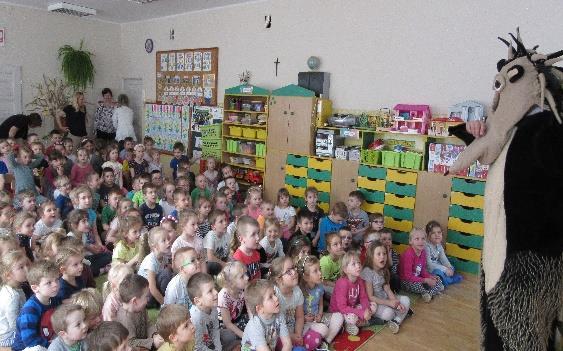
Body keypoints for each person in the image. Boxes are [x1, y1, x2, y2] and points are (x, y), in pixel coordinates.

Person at [361, 240, 411, 334]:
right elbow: (370, 297)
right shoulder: (367, 272)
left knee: (406, 300)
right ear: (371, 256)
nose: (382, 256)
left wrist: (396, 302)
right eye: (378, 254)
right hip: (374, 303)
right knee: (389, 314)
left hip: (385, 298)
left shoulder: (384, 270)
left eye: (384, 254)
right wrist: (389, 303)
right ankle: (400, 315)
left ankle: (397, 321)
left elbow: (387, 290)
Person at [12, 260, 62, 351]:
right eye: (48, 283)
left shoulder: (54, 299)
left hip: (47, 340)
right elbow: (29, 340)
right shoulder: (30, 309)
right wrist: (51, 345)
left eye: (57, 280)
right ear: (35, 288)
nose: (55, 285)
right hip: (27, 347)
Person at [296, 255, 344, 347]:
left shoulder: (320, 287)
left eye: (320, 269)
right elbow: (296, 312)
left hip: (318, 317)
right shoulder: (299, 290)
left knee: (339, 316)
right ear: (305, 277)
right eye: (315, 271)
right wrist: (305, 318)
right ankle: (326, 333)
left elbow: (321, 304)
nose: (320, 273)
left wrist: (320, 314)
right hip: (306, 322)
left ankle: (326, 341)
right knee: (323, 329)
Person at [329, 251, 376, 336]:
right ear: (345, 269)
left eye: (359, 263)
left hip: (352, 307)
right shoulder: (342, 283)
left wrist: (366, 310)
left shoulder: (360, 280)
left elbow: (363, 298)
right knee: (352, 318)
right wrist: (361, 313)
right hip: (338, 312)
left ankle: (356, 323)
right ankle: (349, 324)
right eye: (353, 264)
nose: (358, 266)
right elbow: (342, 308)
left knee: (373, 306)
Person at [241, 279, 291, 351]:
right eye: (270, 297)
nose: (276, 298)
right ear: (260, 308)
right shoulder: (255, 326)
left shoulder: (279, 314)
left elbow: (287, 343)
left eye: (274, 293)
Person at [399, 228, 444, 302]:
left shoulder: (423, 252)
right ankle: (429, 292)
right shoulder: (408, 254)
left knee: (437, 279)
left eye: (423, 239)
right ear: (411, 241)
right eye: (417, 239)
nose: (421, 241)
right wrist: (425, 280)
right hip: (406, 281)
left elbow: (422, 270)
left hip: (417, 277)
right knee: (419, 285)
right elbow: (408, 277)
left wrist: (430, 276)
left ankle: (429, 292)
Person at [216, 261, 249, 349]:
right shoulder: (223, 297)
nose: (247, 278)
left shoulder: (243, 287)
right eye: (242, 276)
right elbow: (228, 323)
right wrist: (244, 335)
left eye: (245, 274)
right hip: (225, 327)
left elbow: (249, 308)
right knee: (233, 337)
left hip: (238, 319)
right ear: (231, 282)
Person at [0, 250, 29, 349]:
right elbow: (14, 325)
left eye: (26, 265)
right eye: (21, 267)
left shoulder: (15, 287)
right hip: (8, 337)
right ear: (8, 275)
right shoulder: (12, 297)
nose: (27, 269)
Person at [187, 272, 222, 351]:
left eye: (214, 288)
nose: (216, 292)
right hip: (199, 346)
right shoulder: (195, 319)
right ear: (198, 301)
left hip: (209, 339)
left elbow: (216, 330)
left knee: (229, 336)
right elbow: (198, 346)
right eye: (210, 291)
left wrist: (218, 348)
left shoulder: (213, 307)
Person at [425, 220, 462, 286]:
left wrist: (449, 267)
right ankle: (449, 281)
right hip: (428, 270)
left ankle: (447, 277)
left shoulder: (439, 245)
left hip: (436, 265)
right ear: (428, 235)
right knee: (439, 273)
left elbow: (443, 258)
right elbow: (429, 264)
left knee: (452, 265)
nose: (437, 235)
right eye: (433, 233)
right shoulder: (426, 247)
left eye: (439, 232)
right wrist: (445, 269)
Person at [231, 216, 261, 282]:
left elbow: (258, 275)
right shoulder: (237, 259)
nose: (258, 238)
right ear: (241, 238)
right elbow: (238, 283)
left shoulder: (256, 253)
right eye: (253, 235)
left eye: (258, 233)